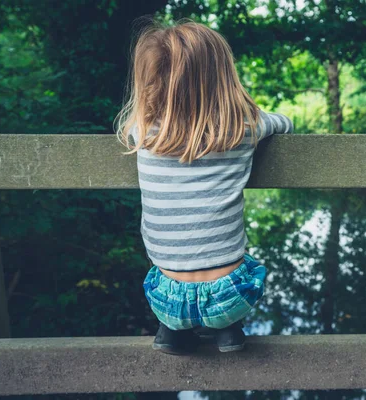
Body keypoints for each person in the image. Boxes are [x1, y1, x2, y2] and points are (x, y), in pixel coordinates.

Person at [115, 20, 293, 355]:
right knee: (249, 265)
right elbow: (285, 122)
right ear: (222, 79)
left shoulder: (143, 132)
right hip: (231, 298)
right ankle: (228, 331)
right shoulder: (244, 128)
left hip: (165, 300)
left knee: (162, 270)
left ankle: (170, 333)